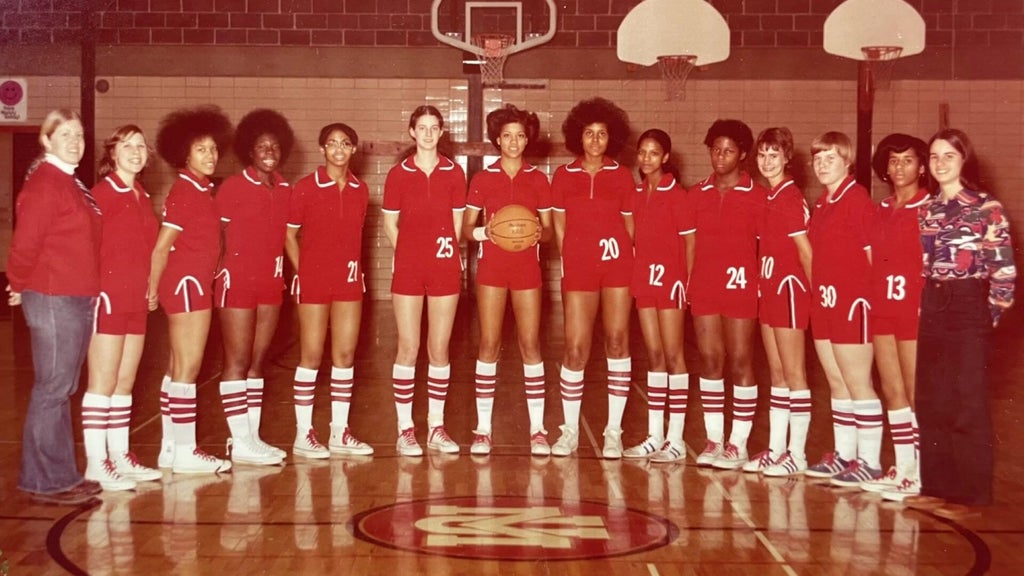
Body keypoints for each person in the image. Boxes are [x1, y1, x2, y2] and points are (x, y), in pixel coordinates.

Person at [896, 129, 1015, 519]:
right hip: (934, 302)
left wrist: (984, 317)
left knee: (967, 403)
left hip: (969, 306)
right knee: (932, 399)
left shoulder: (986, 207)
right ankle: (937, 487)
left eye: (949, 155)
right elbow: (926, 264)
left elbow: (1004, 274)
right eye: (934, 156)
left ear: (965, 160)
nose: (940, 163)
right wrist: (927, 309)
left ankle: (970, 496)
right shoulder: (929, 209)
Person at [6, 109, 103, 505]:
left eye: (79, 134)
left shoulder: (68, 182)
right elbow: (24, 244)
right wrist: (17, 284)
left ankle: (57, 475)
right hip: (53, 296)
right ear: (46, 140)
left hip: (74, 296)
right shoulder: (46, 184)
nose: (75, 141)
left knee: (61, 388)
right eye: (65, 134)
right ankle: (46, 480)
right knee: (53, 388)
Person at [462, 104, 553, 456]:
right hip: (492, 269)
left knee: (530, 345)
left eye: (520, 136)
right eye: (507, 136)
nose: (513, 142)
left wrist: (536, 234)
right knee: (489, 344)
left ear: (527, 140)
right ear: (497, 140)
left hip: (527, 269)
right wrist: (487, 233)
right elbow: (467, 230)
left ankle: (538, 430)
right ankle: (483, 429)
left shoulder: (539, 180)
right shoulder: (483, 179)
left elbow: (549, 233)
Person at [550, 97, 635, 459]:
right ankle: (569, 431)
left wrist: (624, 257)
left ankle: (613, 431)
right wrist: (570, 256)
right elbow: (558, 223)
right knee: (576, 348)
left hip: (617, 266)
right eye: (589, 133)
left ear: (611, 137)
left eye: (602, 133)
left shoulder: (622, 175)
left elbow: (630, 225)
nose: (596, 140)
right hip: (580, 266)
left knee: (617, 341)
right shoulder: (563, 175)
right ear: (578, 136)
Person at [151, 105, 233, 474]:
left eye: (213, 149)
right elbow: (161, 247)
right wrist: (151, 289)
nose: (210, 155)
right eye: (201, 149)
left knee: (176, 367)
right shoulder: (185, 191)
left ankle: (170, 448)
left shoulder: (202, 190)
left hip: (195, 284)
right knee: (188, 367)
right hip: (187, 285)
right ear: (184, 154)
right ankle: (186, 450)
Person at [81, 125, 163, 492]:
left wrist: (151, 287)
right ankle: (96, 462)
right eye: (127, 145)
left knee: (125, 382)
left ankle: (119, 455)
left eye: (141, 146)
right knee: (103, 381)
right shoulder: (101, 194)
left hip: (135, 299)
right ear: (112, 153)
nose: (135, 151)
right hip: (108, 297)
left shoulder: (141, 195)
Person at [285, 122, 374, 459]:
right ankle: (303, 433)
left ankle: (339, 432)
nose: (339, 149)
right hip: (314, 280)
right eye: (332, 143)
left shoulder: (360, 189)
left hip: (348, 279)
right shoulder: (305, 187)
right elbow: (288, 235)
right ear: (322, 149)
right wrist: (304, 270)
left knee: (345, 356)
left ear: (353, 149)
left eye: (345, 143)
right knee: (311, 356)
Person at [383, 105, 466, 456]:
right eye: (422, 127)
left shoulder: (454, 172)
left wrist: (443, 253)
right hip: (409, 267)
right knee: (408, 346)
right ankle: (405, 430)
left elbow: (457, 224)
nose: (429, 133)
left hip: (444, 266)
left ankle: (436, 427)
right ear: (412, 132)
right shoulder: (398, 174)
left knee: (439, 348)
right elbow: (390, 224)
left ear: (442, 131)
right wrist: (409, 253)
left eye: (434, 127)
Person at [213, 109, 293, 467]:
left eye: (274, 146)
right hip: (237, 281)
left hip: (271, 281)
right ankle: (240, 440)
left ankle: (252, 439)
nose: (269, 152)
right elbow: (216, 234)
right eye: (262, 146)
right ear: (249, 150)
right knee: (237, 360)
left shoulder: (286, 189)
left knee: (258, 362)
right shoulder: (233, 187)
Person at [804, 131, 884, 487]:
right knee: (837, 384)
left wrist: (870, 301)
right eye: (818, 159)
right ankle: (845, 455)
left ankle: (870, 461)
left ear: (847, 161)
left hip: (853, 304)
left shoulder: (857, 200)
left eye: (830, 158)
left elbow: (873, 258)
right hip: (825, 302)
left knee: (858, 383)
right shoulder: (823, 203)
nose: (822, 165)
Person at [687, 119, 766, 470]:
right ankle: (714, 439)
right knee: (709, 360)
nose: (720, 156)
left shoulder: (757, 195)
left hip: (740, 286)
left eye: (729, 151)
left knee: (741, 361)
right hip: (705, 284)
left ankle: (738, 444)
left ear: (743, 154)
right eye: (716, 150)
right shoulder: (697, 193)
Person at [860, 134, 930, 493]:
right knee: (893, 389)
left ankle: (923, 471)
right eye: (893, 160)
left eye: (908, 160)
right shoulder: (881, 209)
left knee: (917, 392)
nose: (900, 167)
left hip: (914, 310)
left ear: (922, 166)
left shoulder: (930, 207)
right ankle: (903, 468)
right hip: (883, 307)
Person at [621, 129, 694, 463]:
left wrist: (688, 283)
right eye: (642, 152)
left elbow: (691, 243)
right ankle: (655, 436)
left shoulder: (677, 194)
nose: (647, 158)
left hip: (671, 281)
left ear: (665, 157)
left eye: (654, 153)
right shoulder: (636, 194)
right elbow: (631, 237)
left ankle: (675, 440)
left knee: (674, 354)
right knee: (654, 356)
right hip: (644, 279)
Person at [748, 127, 814, 476]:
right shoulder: (769, 195)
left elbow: (806, 253)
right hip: (769, 287)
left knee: (794, 373)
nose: (767, 161)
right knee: (776, 373)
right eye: (762, 155)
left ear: (787, 158)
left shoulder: (789, 196)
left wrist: (816, 298)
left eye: (774, 155)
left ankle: (797, 454)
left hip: (789, 289)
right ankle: (776, 450)